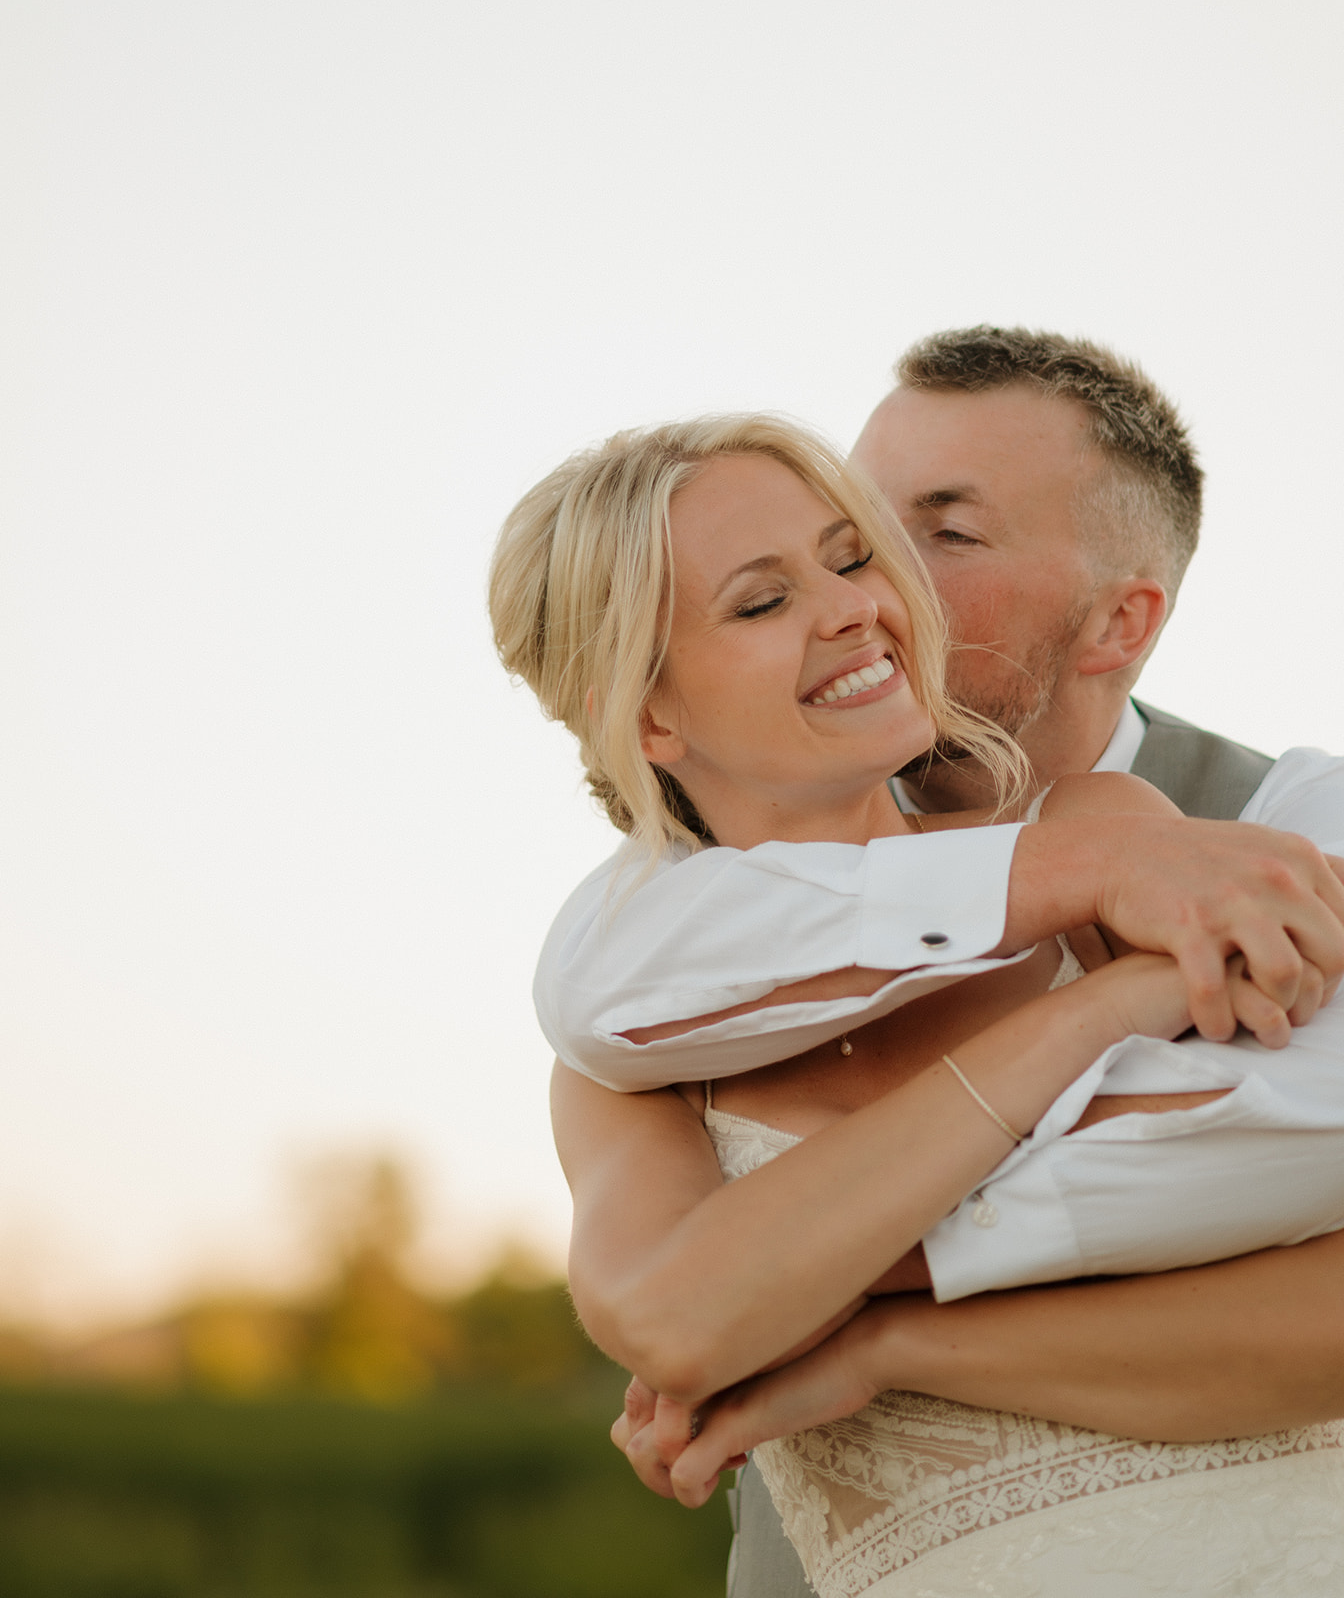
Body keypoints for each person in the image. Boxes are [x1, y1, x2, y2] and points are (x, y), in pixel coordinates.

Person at [490, 408, 1344, 1594]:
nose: (854, 606)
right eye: (759, 600)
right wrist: (1092, 1015)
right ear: (648, 715)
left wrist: (878, 1342)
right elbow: (680, 1326)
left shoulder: (1105, 833)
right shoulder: (627, 1055)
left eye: (848, 559)